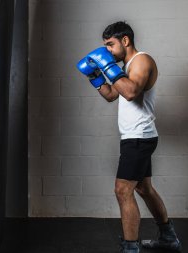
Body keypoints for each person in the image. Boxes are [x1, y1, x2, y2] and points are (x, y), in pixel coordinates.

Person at [76, 21, 182, 253]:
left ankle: (131, 248)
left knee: (122, 190)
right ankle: (168, 238)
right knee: (144, 189)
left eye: (111, 45)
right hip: (134, 136)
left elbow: (131, 93)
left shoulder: (142, 60)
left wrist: (107, 66)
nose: (108, 51)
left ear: (125, 41)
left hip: (139, 137)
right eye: (105, 46)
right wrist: (95, 76)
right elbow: (113, 95)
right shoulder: (125, 67)